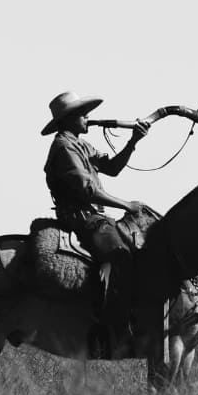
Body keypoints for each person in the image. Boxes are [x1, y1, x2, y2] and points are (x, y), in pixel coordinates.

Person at [41, 91, 151, 348]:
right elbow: (87, 190)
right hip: (82, 219)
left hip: (95, 216)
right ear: (68, 119)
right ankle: (109, 328)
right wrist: (127, 204)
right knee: (120, 255)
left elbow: (112, 168)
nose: (88, 118)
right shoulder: (64, 146)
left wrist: (133, 141)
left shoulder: (80, 143)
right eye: (82, 114)